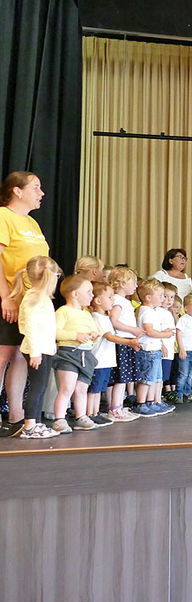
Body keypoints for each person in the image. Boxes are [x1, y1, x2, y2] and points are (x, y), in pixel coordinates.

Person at [0, 171, 50, 438]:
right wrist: (5, 296)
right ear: (17, 191)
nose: (41, 193)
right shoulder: (3, 216)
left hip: (32, 303)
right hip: (9, 299)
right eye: (35, 187)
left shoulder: (32, 223)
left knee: (21, 356)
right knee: (3, 356)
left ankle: (16, 415)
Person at [14, 256, 60, 438]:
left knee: (40, 387)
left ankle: (37, 424)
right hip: (37, 350)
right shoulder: (33, 298)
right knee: (37, 387)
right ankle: (29, 426)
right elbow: (29, 328)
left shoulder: (41, 297)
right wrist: (35, 352)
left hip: (45, 348)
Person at [52, 275, 100, 432]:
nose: (92, 295)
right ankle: (59, 419)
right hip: (68, 354)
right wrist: (75, 336)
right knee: (67, 388)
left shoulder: (86, 313)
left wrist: (93, 334)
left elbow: (94, 329)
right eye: (88, 291)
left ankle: (81, 417)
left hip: (86, 356)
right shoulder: (63, 311)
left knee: (81, 389)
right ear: (74, 294)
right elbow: (55, 332)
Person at [88, 281, 138, 424]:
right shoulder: (98, 318)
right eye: (109, 297)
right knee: (94, 390)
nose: (112, 300)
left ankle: (95, 412)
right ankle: (90, 414)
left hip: (106, 361)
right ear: (98, 301)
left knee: (98, 389)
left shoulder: (104, 317)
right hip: (99, 361)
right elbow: (109, 336)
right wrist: (129, 342)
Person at [134, 278, 176, 417]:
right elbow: (149, 331)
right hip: (148, 350)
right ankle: (141, 403)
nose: (163, 298)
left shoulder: (152, 311)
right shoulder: (146, 311)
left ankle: (151, 402)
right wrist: (165, 334)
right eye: (160, 295)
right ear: (149, 297)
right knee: (147, 379)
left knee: (155, 378)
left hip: (155, 349)